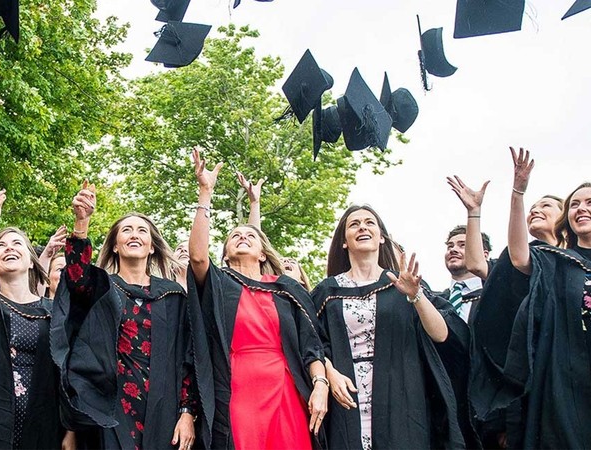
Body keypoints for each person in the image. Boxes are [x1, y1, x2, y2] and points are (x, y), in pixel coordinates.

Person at [187, 148, 328, 449]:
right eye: (234, 236)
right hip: (238, 387)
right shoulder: (221, 283)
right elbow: (198, 258)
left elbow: (310, 346)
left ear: (263, 253)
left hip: (285, 385)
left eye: (250, 237)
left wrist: (320, 383)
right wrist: (204, 193)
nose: (242, 238)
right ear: (224, 254)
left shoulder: (285, 289)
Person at [51, 181, 202, 449]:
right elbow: (76, 279)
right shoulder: (102, 290)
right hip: (110, 408)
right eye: (126, 230)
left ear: (152, 246)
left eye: (142, 230)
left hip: (163, 408)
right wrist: (82, 222)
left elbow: (186, 359)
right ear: (116, 246)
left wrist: (187, 412)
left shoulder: (173, 295)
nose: (134, 234)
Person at [312, 204, 472, 449]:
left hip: (400, 394)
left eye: (369, 223)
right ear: (344, 241)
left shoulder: (402, 283)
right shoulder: (327, 291)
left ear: (382, 238)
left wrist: (415, 295)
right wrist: (329, 373)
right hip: (346, 398)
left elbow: (442, 335)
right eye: (354, 224)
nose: (362, 227)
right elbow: (311, 343)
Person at [472, 152, 590, 448]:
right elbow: (518, 255)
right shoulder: (557, 261)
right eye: (574, 204)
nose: (581, 209)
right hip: (568, 387)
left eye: (589, 203)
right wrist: (518, 194)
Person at [0, 183, 74, 449]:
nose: (8, 248)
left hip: (44, 423)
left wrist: (71, 430)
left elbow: (68, 373)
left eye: (17, 244)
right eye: (0, 245)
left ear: (30, 261)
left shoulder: (52, 311)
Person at [237, 171, 313, 290]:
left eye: (292, 262)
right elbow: (256, 241)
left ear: (302, 279)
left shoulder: (310, 304)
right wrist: (254, 203)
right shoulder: (266, 292)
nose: (286, 261)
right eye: (282, 261)